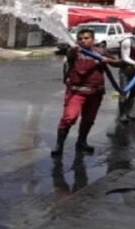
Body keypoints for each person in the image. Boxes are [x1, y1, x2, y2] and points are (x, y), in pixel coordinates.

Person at [51, 29, 122, 157]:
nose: (83, 40)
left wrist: (108, 60)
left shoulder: (101, 52)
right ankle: (59, 145)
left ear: (93, 40)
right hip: (76, 91)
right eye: (80, 38)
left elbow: (119, 63)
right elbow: (69, 59)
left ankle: (82, 142)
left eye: (86, 38)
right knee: (69, 118)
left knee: (88, 119)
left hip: (95, 92)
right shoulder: (74, 51)